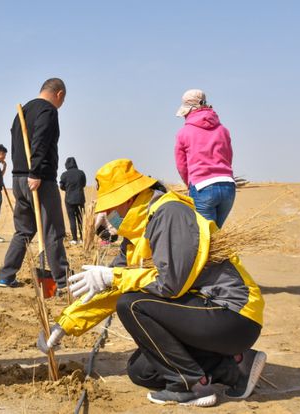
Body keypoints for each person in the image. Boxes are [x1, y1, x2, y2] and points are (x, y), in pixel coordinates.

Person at [38, 159, 266, 407]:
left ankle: (192, 387)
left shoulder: (170, 213)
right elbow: (113, 287)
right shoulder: (136, 235)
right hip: (200, 315)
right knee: (142, 370)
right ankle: (235, 367)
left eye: (111, 207)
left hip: (232, 315)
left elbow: (171, 284)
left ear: (128, 198)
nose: (109, 215)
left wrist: (112, 276)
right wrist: (65, 324)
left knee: (132, 305)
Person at [0, 78, 70, 290]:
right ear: (59, 94)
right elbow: (40, 140)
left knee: (24, 230)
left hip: (18, 178)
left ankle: (6, 275)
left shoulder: (24, 110)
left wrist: (26, 172)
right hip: (39, 179)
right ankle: (63, 281)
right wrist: (36, 172)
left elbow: (17, 143)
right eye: (63, 99)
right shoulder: (47, 111)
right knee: (53, 230)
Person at [175, 89, 236, 228]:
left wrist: (189, 184)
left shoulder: (184, 133)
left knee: (205, 238)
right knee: (215, 235)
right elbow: (228, 156)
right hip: (228, 186)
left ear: (188, 110)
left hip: (203, 187)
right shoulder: (222, 130)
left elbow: (181, 165)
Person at [59, 157, 86, 245]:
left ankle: (74, 239)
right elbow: (84, 184)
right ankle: (82, 238)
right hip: (80, 199)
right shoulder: (81, 173)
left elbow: (61, 186)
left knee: (72, 219)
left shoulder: (64, 175)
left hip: (69, 200)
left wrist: (67, 189)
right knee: (81, 219)